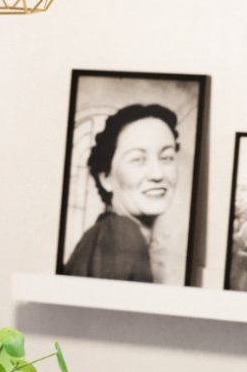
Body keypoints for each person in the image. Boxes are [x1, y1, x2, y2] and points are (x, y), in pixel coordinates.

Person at [64, 103, 179, 282]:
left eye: (167, 158)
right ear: (106, 178)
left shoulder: (106, 233)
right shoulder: (121, 234)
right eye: (138, 159)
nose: (157, 174)